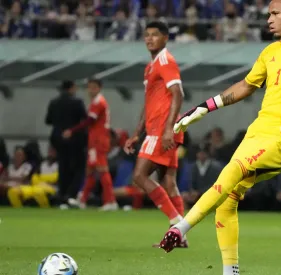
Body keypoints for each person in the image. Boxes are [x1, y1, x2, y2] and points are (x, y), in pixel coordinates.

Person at [158, 1, 281, 274]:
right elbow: (247, 85)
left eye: (274, 13)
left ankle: (181, 227)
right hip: (258, 131)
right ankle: (230, 271)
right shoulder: (270, 52)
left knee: (233, 170)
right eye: (268, 14)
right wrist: (204, 107)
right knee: (228, 199)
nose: (268, 19)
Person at [123, 21, 187, 245]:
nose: (149, 39)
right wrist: (136, 134)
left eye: (154, 35)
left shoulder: (165, 61)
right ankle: (181, 236)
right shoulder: (150, 67)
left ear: (165, 38)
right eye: (146, 35)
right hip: (159, 127)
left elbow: (178, 94)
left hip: (163, 128)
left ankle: (177, 221)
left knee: (139, 176)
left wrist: (168, 128)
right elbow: (149, 102)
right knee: (168, 181)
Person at [64, 78, 117, 210]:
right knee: (91, 171)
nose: (91, 90)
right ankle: (82, 200)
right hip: (95, 140)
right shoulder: (97, 101)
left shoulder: (98, 102)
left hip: (99, 141)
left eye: (93, 87)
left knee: (102, 169)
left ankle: (110, 201)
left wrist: (72, 130)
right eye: (89, 87)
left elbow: (90, 120)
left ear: (99, 88)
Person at [45, 80, 88, 207]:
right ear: (72, 88)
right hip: (75, 140)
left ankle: (62, 194)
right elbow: (84, 120)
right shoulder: (77, 102)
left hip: (57, 138)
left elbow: (48, 120)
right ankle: (71, 195)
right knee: (78, 168)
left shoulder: (54, 102)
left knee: (63, 166)